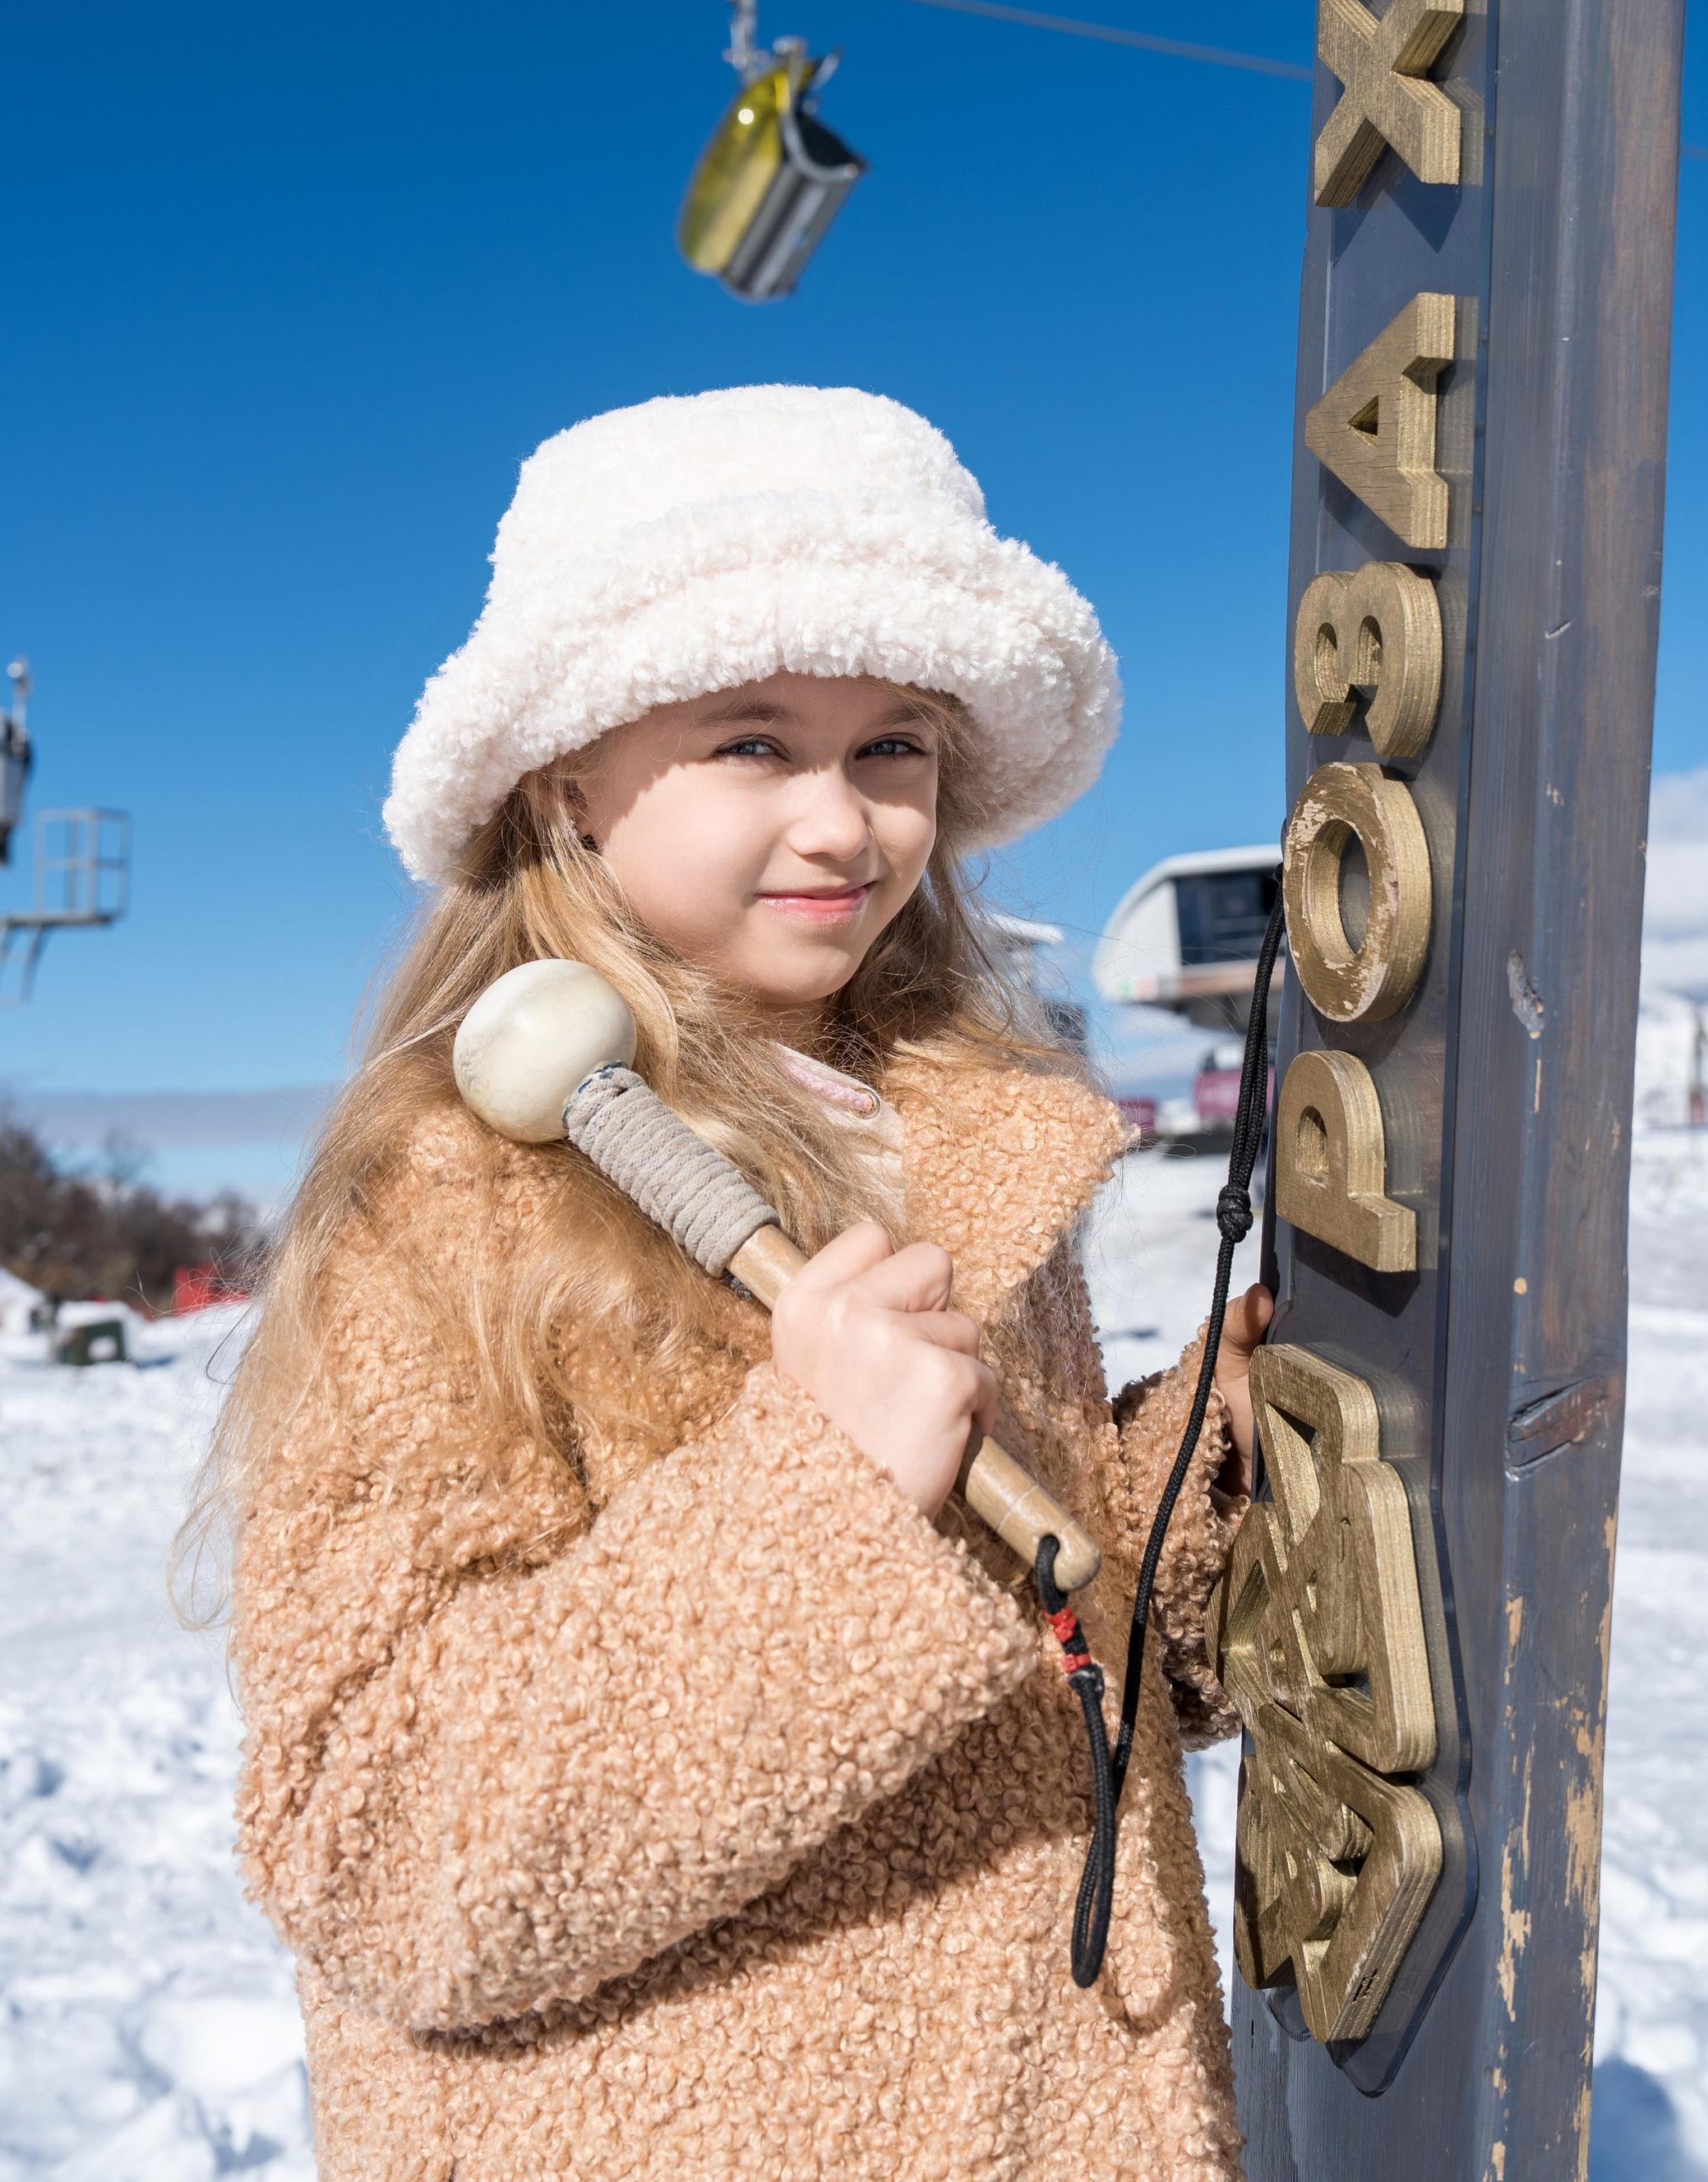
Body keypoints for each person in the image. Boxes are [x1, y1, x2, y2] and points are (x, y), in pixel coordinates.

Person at [212, 385, 1269, 2180]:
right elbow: (379, 1850)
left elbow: (1057, 1625)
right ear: (567, 777)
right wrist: (826, 1491)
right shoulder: (451, 1200)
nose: (842, 822)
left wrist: (1218, 1453)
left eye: (892, 749)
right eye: (753, 743)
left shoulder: (952, 1147)